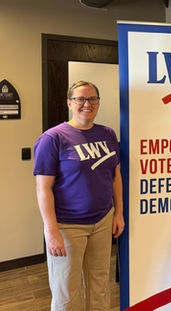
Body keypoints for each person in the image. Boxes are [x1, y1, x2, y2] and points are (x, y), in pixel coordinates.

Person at [34, 80, 124, 310]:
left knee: (99, 288)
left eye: (93, 98)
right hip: (67, 227)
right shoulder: (53, 138)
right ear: (69, 103)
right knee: (66, 295)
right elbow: (43, 188)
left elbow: (116, 176)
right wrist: (51, 230)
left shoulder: (108, 134)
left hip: (103, 221)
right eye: (80, 99)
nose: (87, 104)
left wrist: (118, 213)